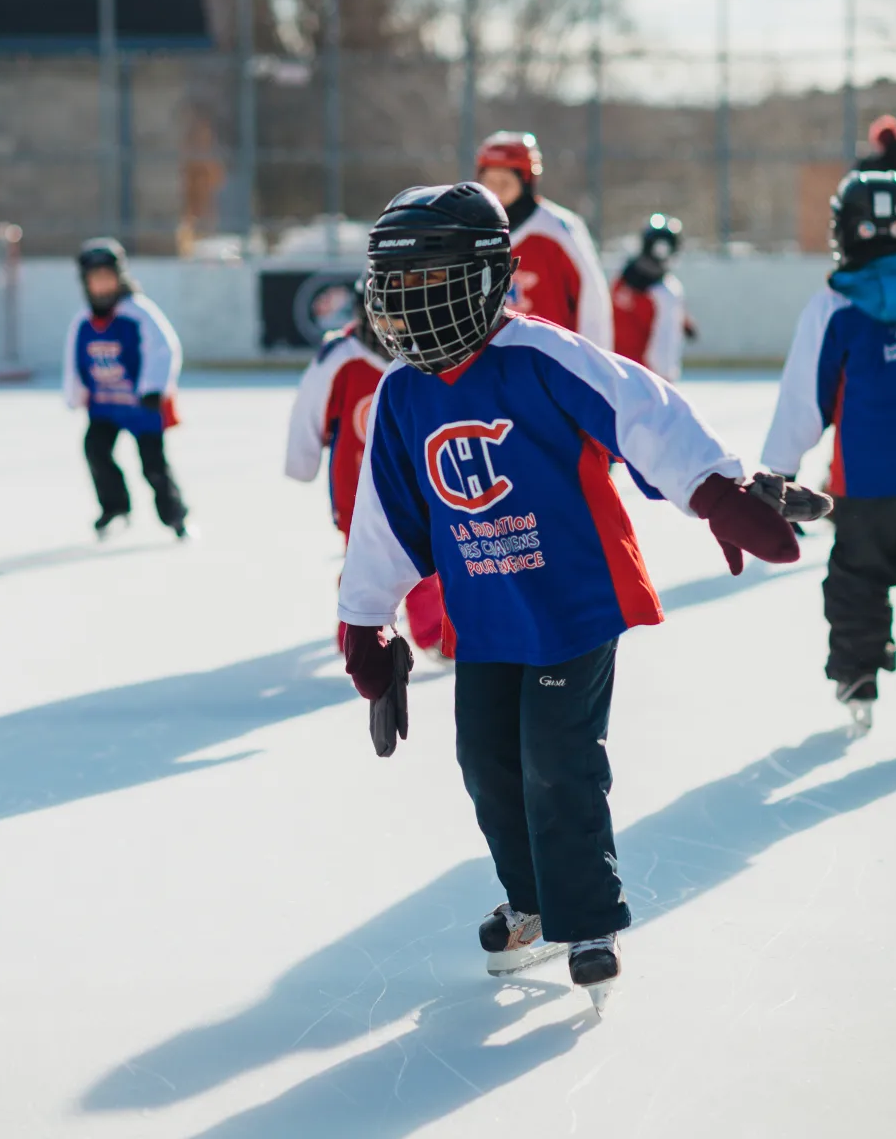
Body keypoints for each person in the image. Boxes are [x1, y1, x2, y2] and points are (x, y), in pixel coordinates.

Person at [337, 182, 826, 1009]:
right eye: (399, 287)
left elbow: (646, 417)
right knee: (488, 763)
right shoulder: (401, 395)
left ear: (488, 278)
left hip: (573, 602)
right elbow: (383, 520)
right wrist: (366, 628)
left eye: (431, 281)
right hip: (487, 613)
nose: (410, 306)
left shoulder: (543, 357)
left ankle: (588, 918)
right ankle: (529, 905)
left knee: (556, 764)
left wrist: (714, 490)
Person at [762, 170, 896, 730]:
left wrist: (778, 471)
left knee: (858, 577)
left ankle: (858, 677)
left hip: (866, 482)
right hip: (866, 481)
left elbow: (804, 398)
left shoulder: (835, 307)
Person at [284, 282, 446, 655]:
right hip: (357, 489)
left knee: (423, 562)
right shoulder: (341, 356)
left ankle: (432, 633)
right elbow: (310, 409)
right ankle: (355, 634)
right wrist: (302, 461)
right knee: (364, 562)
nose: (390, 325)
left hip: (421, 484)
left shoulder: (430, 352)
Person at [63, 237, 191, 540]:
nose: (102, 286)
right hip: (105, 406)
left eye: (108, 278)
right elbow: (73, 359)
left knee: (154, 466)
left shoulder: (137, 312)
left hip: (140, 408)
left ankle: (175, 516)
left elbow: (163, 349)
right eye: (95, 280)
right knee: (95, 449)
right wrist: (75, 394)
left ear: (120, 278)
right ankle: (115, 508)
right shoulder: (83, 320)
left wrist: (153, 388)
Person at [475, 130, 613, 348]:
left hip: (550, 359)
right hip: (492, 363)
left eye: (505, 181)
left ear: (526, 179)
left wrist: (592, 360)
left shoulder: (559, 228)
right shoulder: (472, 228)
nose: (497, 190)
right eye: (490, 180)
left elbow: (591, 300)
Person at [611, 214, 695, 382]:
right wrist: (664, 381)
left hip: (612, 369)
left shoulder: (623, 276)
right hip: (642, 378)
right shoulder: (666, 292)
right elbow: (664, 348)